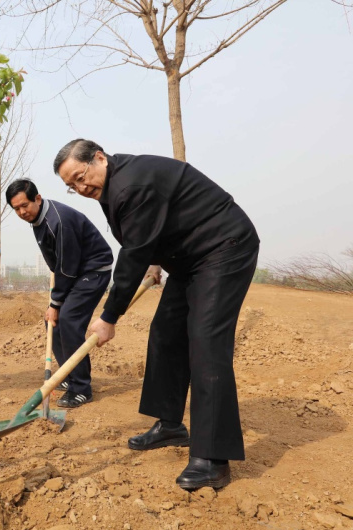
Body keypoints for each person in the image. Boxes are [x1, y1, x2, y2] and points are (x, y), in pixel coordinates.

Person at [53, 139, 260, 490]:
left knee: (206, 343)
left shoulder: (131, 185)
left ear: (99, 158)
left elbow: (131, 254)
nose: (80, 187)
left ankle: (212, 459)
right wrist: (154, 260)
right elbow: (147, 232)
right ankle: (170, 425)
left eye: (80, 176)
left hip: (223, 247)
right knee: (165, 333)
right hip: (188, 257)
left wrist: (109, 316)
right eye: (71, 186)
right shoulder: (113, 185)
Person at [6, 179, 113, 408]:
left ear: (37, 198)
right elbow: (59, 263)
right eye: (16, 209)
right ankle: (67, 373)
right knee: (52, 323)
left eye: (25, 205)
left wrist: (55, 303)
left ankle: (81, 388)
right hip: (74, 272)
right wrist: (55, 303)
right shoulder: (38, 219)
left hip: (93, 270)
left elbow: (67, 267)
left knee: (68, 320)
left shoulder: (58, 221)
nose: (22, 212)